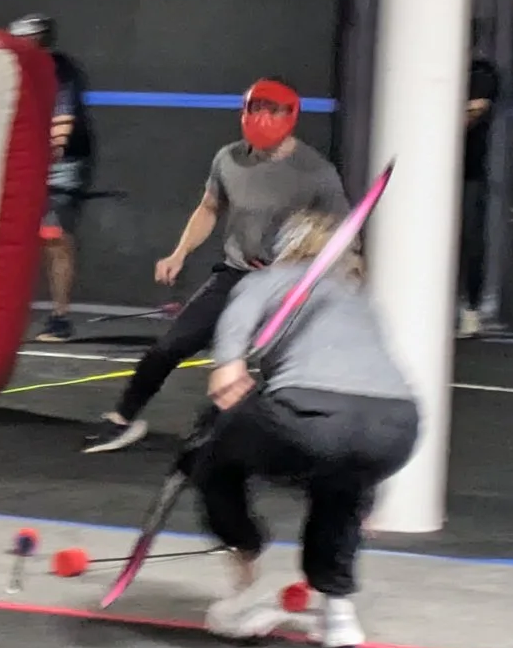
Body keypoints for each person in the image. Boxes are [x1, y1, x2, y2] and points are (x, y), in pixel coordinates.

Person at [194, 209, 421, 648]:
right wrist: (375, 492)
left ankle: (247, 574)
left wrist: (228, 362)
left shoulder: (269, 279)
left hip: (312, 418)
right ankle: (337, 609)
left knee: (211, 444)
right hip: (397, 429)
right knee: (343, 483)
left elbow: (237, 319)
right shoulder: (356, 297)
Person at [83, 78, 347, 454]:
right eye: (256, 108)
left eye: (272, 110)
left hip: (286, 286)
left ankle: (293, 444)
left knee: (283, 371)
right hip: (235, 276)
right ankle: (122, 418)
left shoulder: (316, 172)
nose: (263, 117)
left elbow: (340, 234)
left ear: (290, 116)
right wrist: (179, 253)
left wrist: (311, 277)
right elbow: (209, 207)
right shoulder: (229, 159)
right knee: (168, 347)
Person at [10, 13, 95, 341]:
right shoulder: (13, 70)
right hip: (24, 162)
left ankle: (60, 318)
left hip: (63, 163)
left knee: (54, 234)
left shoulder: (61, 70)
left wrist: (51, 154)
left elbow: (63, 117)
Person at [457, 53, 502, 338]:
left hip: (467, 176)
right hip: (427, 173)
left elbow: (479, 107)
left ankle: (470, 310)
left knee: (469, 243)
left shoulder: (481, 74)